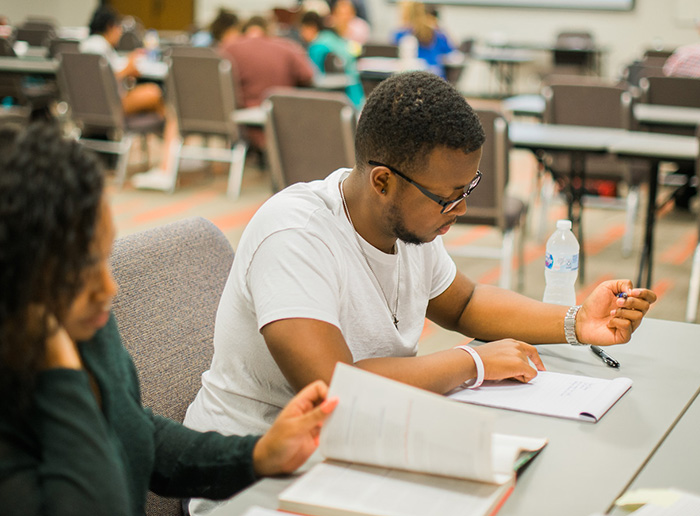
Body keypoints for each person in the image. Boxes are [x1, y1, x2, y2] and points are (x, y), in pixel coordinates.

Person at [183, 71, 657, 515]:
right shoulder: (294, 234)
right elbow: (334, 386)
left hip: (356, 448)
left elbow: (466, 303)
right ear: (383, 181)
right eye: (448, 196)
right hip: (253, 475)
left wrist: (576, 322)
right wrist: (471, 363)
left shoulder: (412, 226)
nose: (462, 208)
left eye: (468, 187)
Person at [0, 123, 338, 516]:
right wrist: (60, 371)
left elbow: (134, 434)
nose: (109, 288)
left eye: (103, 259)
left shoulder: (82, 323)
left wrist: (257, 456)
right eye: (81, 272)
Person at [79, 5, 177, 190]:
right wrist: (131, 64)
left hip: (88, 106)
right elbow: (108, 77)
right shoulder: (99, 47)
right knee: (157, 96)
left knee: (162, 108)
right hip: (109, 105)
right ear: (111, 26)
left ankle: (171, 153)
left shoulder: (85, 45)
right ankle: (171, 158)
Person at [219, 15, 315, 149]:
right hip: (280, 119)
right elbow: (308, 76)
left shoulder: (228, 49)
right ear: (269, 30)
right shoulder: (287, 47)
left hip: (240, 120)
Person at [299, 10, 364, 108]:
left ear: (311, 27)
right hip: (355, 95)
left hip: (336, 99)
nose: (301, 34)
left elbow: (312, 76)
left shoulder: (317, 46)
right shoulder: (334, 39)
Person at [391, 1, 456, 78]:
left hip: (413, 79)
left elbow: (394, 56)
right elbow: (452, 53)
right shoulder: (437, 32)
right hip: (437, 78)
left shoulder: (401, 34)